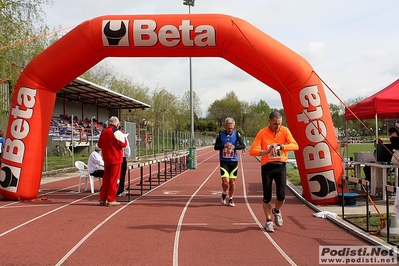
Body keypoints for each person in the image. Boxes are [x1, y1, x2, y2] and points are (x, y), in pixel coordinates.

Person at [249, 111, 299, 232]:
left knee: (281, 196)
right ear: (269, 122)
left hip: (281, 165)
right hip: (267, 166)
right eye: (275, 124)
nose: (278, 126)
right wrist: (266, 151)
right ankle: (268, 220)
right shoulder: (262, 132)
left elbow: (295, 145)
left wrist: (281, 146)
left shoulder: (285, 131)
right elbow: (252, 151)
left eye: (280, 124)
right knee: (267, 196)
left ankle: (276, 210)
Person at [214, 117, 246, 207]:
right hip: (224, 161)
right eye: (228, 128)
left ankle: (230, 198)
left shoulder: (237, 134)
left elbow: (243, 145)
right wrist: (224, 146)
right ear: (225, 126)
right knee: (225, 182)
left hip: (234, 161)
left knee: (232, 182)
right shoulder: (220, 134)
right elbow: (216, 147)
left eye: (231, 128)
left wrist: (234, 147)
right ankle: (224, 193)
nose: (230, 130)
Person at [97, 116, 127, 206]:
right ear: (117, 124)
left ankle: (103, 198)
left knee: (106, 179)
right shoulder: (116, 132)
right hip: (116, 159)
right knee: (114, 179)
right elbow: (124, 144)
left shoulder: (104, 132)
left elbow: (99, 144)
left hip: (106, 158)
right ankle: (111, 199)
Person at [117, 128, 131, 197]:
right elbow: (127, 149)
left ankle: (115, 189)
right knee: (121, 175)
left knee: (115, 175)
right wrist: (126, 157)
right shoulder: (124, 137)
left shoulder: (113, 136)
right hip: (121, 158)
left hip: (114, 158)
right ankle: (120, 190)